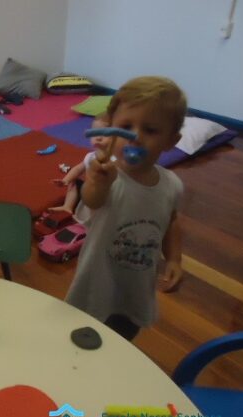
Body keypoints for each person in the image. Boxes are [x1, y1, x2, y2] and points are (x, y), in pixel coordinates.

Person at [65, 76, 186, 341]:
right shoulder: (108, 177)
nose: (136, 138)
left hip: (136, 289)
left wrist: (174, 258)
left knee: (123, 339)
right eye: (126, 127)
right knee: (83, 341)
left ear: (171, 140)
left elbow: (171, 221)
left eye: (150, 130)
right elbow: (92, 200)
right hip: (96, 286)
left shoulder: (172, 185)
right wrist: (96, 182)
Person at [49, 113, 110, 214]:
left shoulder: (115, 158)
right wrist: (65, 180)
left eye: (105, 133)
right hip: (88, 192)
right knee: (74, 180)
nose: (98, 137)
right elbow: (77, 169)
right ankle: (67, 206)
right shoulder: (90, 156)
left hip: (105, 197)